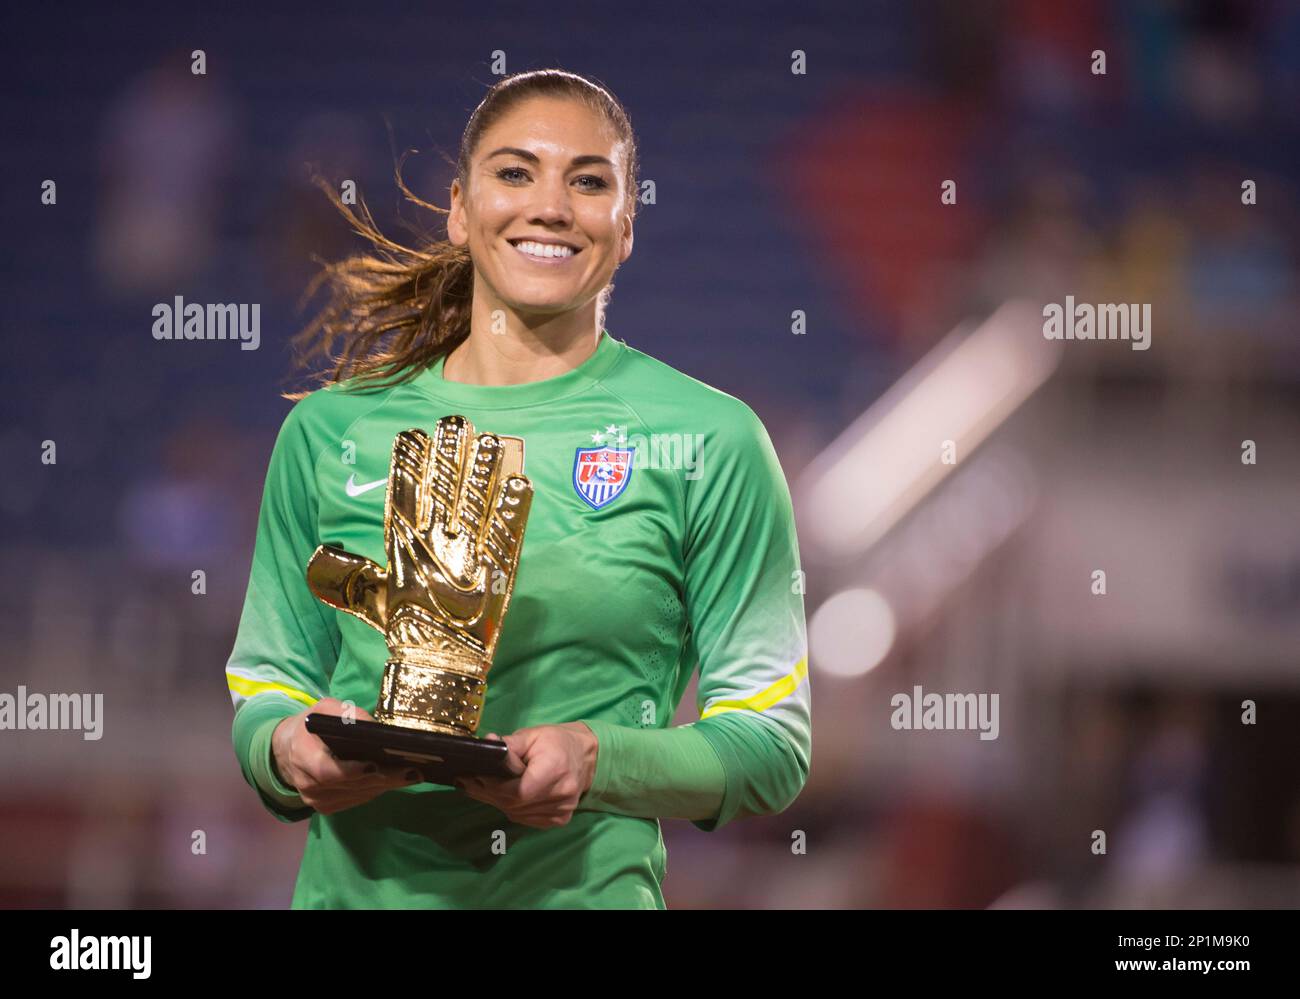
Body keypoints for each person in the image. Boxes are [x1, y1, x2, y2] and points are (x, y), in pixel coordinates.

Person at [224, 68, 811, 909]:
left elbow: (772, 738)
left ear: (627, 223)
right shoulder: (328, 433)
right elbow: (266, 677)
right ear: (461, 209)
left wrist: (598, 757)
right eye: (514, 172)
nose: (551, 206)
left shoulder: (712, 443)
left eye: (588, 180)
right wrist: (286, 749)